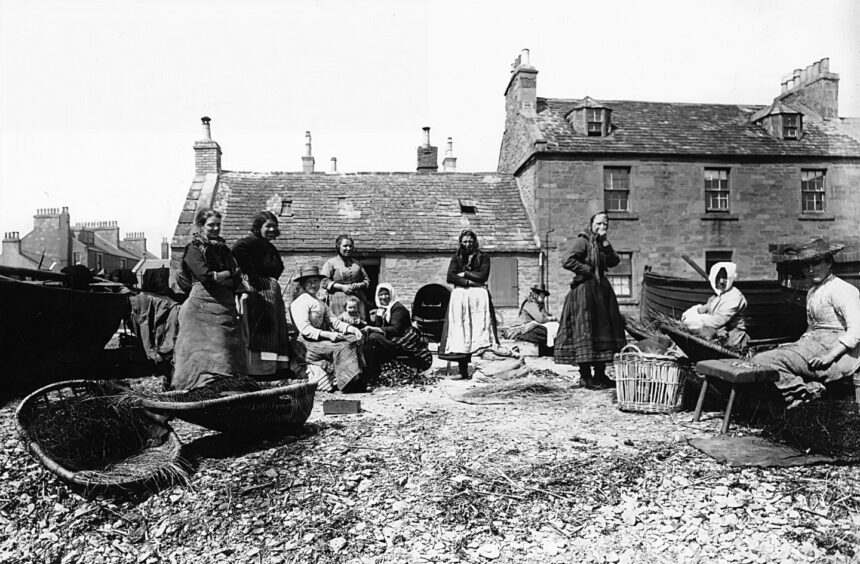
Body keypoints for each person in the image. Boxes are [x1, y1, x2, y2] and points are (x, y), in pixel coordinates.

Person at [751, 239, 860, 408]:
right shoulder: (812, 292)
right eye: (805, 265)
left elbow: (856, 332)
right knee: (760, 357)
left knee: (761, 361)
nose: (810, 270)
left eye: (816, 263)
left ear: (829, 263)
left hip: (839, 355)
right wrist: (793, 345)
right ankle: (806, 391)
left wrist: (829, 356)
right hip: (815, 346)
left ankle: (803, 392)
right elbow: (811, 328)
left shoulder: (843, 290)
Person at [172, 208, 247, 390]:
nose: (215, 228)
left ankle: (224, 389)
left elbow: (237, 276)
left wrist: (224, 276)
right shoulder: (195, 249)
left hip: (225, 308)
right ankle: (196, 389)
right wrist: (227, 274)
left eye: (218, 225)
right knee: (199, 352)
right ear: (201, 225)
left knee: (226, 350)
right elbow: (205, 276)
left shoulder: (223, 249)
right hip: (201, 308)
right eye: (211, 225)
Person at [554, 205, 626, 389]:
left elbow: (614, 261)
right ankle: (585, 376)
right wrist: (587, 270)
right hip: (585, 292)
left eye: (605, 223)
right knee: (585, 330)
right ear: (591, 224)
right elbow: (567, 260)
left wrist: (606, 245)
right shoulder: (583, 241)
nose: (602, 226)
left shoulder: (602, 244)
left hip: (601, 292)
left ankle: (600, 375)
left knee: (602, 330)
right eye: (599, 223)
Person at [231, 211, 291, 378]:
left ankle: (274, 369)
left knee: (274, 330)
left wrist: (272, 280)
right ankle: (259, 371)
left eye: (274, 226)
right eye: (268, 226)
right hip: (259, 293)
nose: (272, 229)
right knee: (262, 329)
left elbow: (279, 266)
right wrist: (252, 275)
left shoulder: (268, 246)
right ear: (258, 227)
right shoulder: (251, 241)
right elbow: (237, 250)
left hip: (271, 293)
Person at [289, 265, 367, 393]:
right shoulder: (300, 302)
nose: (313, 285)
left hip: (320, 340)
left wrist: (352, 329)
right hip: (305, 343)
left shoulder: (320, 302)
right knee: (342, 346)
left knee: (352, 339)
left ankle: (354, 378)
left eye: (315, 281)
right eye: (309, 282)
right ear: (303, 284)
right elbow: (305, 329)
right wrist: (329, 335)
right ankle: (346, 383)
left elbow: (334, 321)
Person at [438, 229, 501, 380]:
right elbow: (450, 277)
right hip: (460, 297)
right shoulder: (457, 257)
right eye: (465, 241)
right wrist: (469, 282)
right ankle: (463, 371)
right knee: (461, 332)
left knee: (480, 331)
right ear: (461, 242)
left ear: (475, 242)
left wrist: (465, 274)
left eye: (470, 241)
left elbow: (483, 276)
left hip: (479, 298)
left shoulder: (483, 257)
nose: (468, 244)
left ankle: (484, 371)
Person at [363, 283, 433, 375]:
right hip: (390, 338)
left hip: (402, 340)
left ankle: (372, 372)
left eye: (386, 294)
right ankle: (370, 370)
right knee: (368, 338)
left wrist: (374, 328)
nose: (383, 297)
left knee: (373, 337)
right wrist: (377, 318)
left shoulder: (398, 308)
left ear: (391, 294)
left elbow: (395, 330)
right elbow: (379, 326)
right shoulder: (382, 309)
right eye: (380, 294)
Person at [680, 262, 750, 350]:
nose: (721, 281)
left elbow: (717, 321)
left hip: (733, 339)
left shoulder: (734, 297)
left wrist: (691, 320)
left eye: (725, 277)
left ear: (730, 277)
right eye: (718, 277)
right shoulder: (716, 297)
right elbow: (705, 310)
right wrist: (696, 312)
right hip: (717, 333)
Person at [321, 235, 372, 320]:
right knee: (340, 323)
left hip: (358, 299)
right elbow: (324, 281)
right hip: (337, 299)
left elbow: (367, 281)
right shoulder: (331, 263)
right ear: (338, 247)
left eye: (350, 246)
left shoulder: (357, 263)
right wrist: (342, 287)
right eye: (345, 246)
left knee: (360, 323)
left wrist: (358, 285)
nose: (348, 248)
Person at [503, 286, 559, 356]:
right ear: (536, 294)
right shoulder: (530, 304)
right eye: (542, 295)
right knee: (544, 331)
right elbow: (541, 319)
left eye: (544, 295)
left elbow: (545, 315)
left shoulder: (539, 305)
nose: (543, 296)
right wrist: (551, 318)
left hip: (534, 328)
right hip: (526, 330)